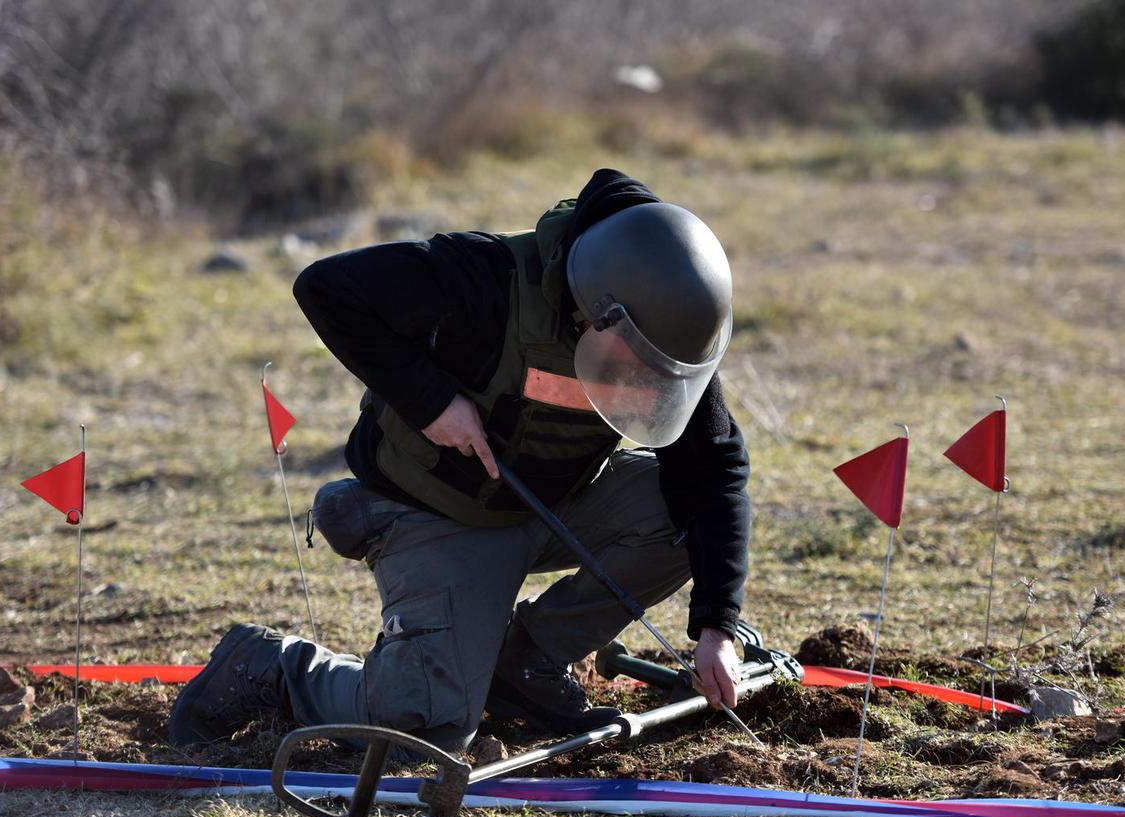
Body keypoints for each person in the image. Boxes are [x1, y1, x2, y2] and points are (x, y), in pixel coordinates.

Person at [168, 169, 751, 754]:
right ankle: (274, 667)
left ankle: (525, 663)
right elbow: (327, 287)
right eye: (638, 356)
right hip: (439, 511)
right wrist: (432, 402)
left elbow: (715, 470)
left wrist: (715, 627)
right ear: (597, 309)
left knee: (681, 516)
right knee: (425, 726)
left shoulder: (663, 331)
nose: (646, 374)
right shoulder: (480, 276)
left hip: (555, 502)